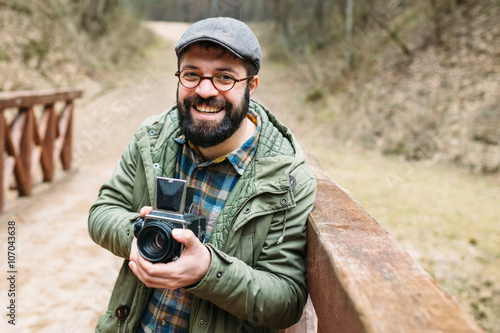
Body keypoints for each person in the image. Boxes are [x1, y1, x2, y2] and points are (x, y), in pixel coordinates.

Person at [88, 17, 317, 333]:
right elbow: (102, 213)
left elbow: (286, 300)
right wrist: (143, 232)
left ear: (251, 85)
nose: (205, 90)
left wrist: (208, 271)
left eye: (225, 77)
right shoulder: (151, 139)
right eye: (191, 74)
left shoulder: (287, 180)